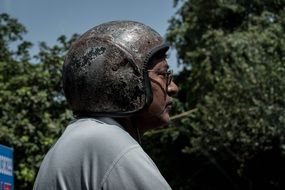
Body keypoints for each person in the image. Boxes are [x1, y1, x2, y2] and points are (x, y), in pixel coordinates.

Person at [33, 20, 178, 190]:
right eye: (162, 74)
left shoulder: (74, 140)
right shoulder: (110, 145)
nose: (173, 87)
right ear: (127, 81)